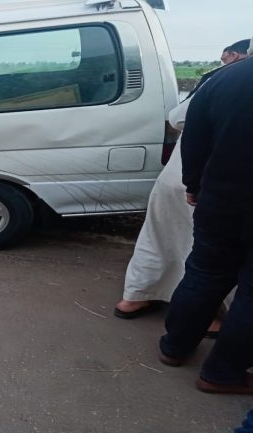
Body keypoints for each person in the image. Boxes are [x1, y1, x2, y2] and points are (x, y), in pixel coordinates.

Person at [114, 39, 250, 320]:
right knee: (205, 257)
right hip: (212, 188)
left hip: (178, 178)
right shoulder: (235, 82)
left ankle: (134, 298)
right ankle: (210, 318)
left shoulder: (217, 80)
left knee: (157, 240)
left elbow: (176, 118)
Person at [158, 48, 253, 394]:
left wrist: (194, 185)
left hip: (220, 201)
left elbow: (194, 140)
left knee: (204, 272)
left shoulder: (222, 79)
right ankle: (223, 372)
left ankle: (174, 347)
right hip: (222, 198)